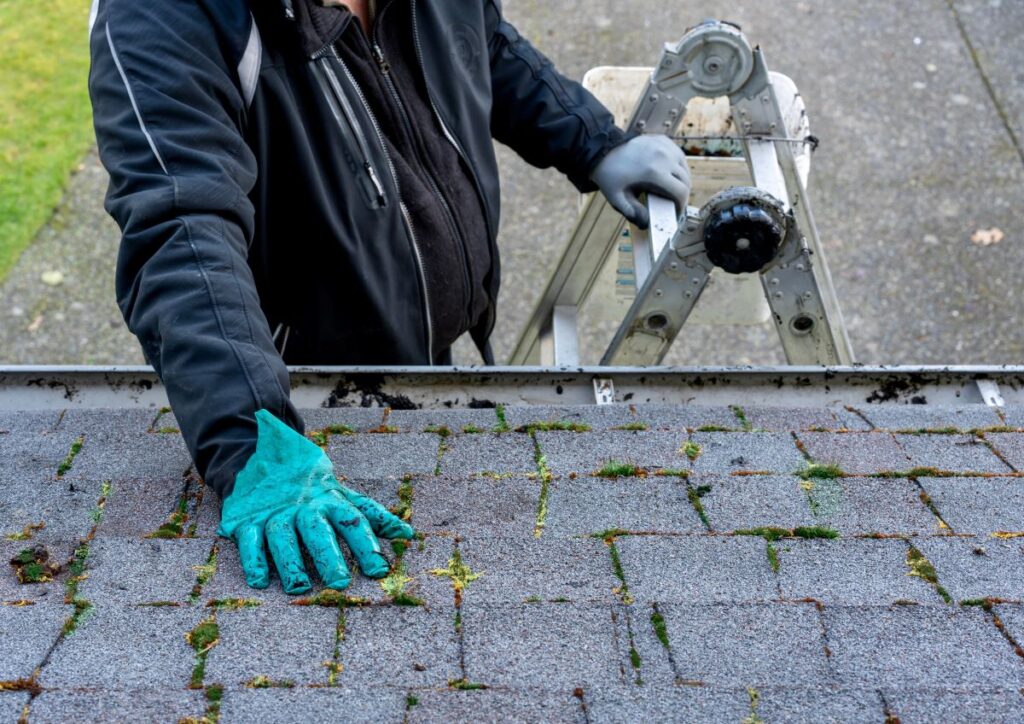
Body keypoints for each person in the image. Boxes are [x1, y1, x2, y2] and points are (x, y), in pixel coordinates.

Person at [88, 0, 691, 593]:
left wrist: (591, 141)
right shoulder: (161, 15)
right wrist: (253, 437)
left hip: (428, 359)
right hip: (300, 407)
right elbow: (182, 229)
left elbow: (481, 45)